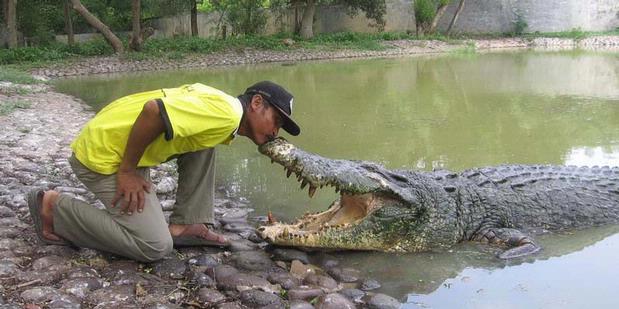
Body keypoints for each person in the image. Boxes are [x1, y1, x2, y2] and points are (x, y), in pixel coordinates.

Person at [27, 81, 300, 262]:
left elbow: (168, 117)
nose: (275, 131)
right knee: (154, 246)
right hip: (104, 156)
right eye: (275, 120)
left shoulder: (224, 105)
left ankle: (187, 223)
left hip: (113, 138)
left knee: (204, 141)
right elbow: (153, 111)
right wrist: (128, 171)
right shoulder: (226, 115)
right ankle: (53, 208)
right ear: (256, 103)